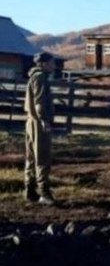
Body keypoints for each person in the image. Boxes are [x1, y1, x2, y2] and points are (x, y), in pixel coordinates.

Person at [24, 52, 55, 205]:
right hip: (38, 122)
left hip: (31, 121)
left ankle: (29, 191)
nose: (53, 65)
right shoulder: (41, 77)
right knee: (42, 156)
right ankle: (44, 193)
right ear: (43, 63)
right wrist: (44, 120)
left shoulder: (34, 76)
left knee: (31, 157)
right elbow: (39, 102)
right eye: (51, 62)